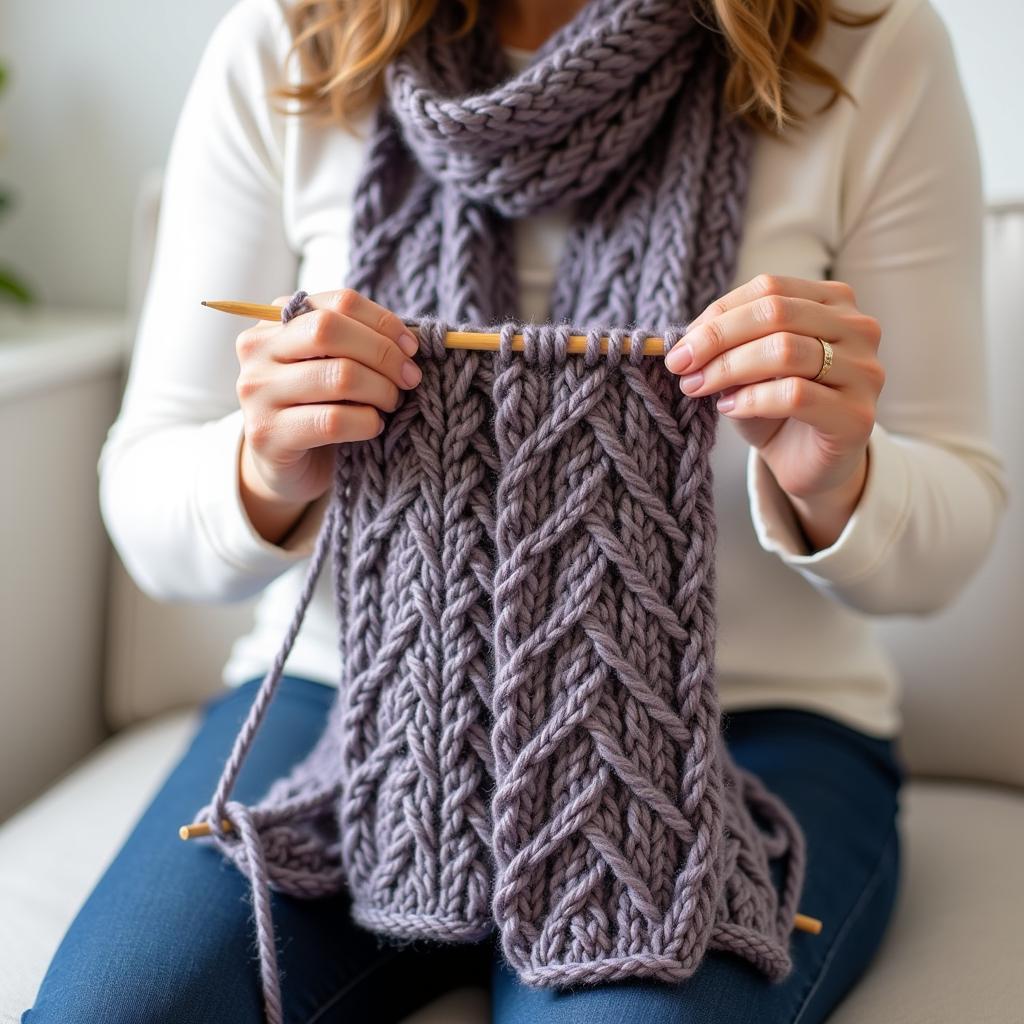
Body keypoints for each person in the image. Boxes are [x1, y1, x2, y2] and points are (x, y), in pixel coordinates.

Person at [23, 0, 1008, 1021]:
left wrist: (834, 474)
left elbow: (947, 534)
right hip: (354, 703)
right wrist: (264, 463)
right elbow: (145, 505)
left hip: (741, 722)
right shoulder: (288, 41)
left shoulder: (863, 46)